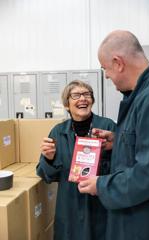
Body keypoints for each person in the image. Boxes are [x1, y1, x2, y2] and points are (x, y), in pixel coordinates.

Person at [78, 30, 149, 240]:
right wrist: (119, 141)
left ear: (118, 63)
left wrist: (102, 186)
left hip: (145, 222)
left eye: (107, 71)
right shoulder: (143, 93)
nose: (108, 78)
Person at [36, 80, 116, 240]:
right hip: (69, 206)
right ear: (67, 105)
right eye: (76, 95)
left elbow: (123, 164)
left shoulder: (107, 126)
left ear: (92, 100)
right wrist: (49, 159)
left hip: (100, 204)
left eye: (87, 94)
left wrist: (112, 149)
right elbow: (46, 175)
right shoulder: (58, 132)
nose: (83, 99)